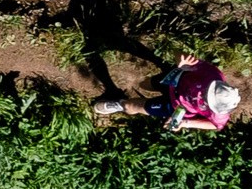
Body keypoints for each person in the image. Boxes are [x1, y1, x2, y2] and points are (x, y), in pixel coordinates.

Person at [93, 54, 242, 131]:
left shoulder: (220, 114)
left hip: (175, 107)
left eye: (207, 102)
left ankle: (120, 104)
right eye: (206, 92)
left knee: (131, 107)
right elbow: (182, 55)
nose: (201, 96)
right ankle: (144, 88)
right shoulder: (212, 74)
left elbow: (216, 126)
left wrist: (185, 123)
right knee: (145, 84)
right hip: (175, 81)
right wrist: (182, 63)